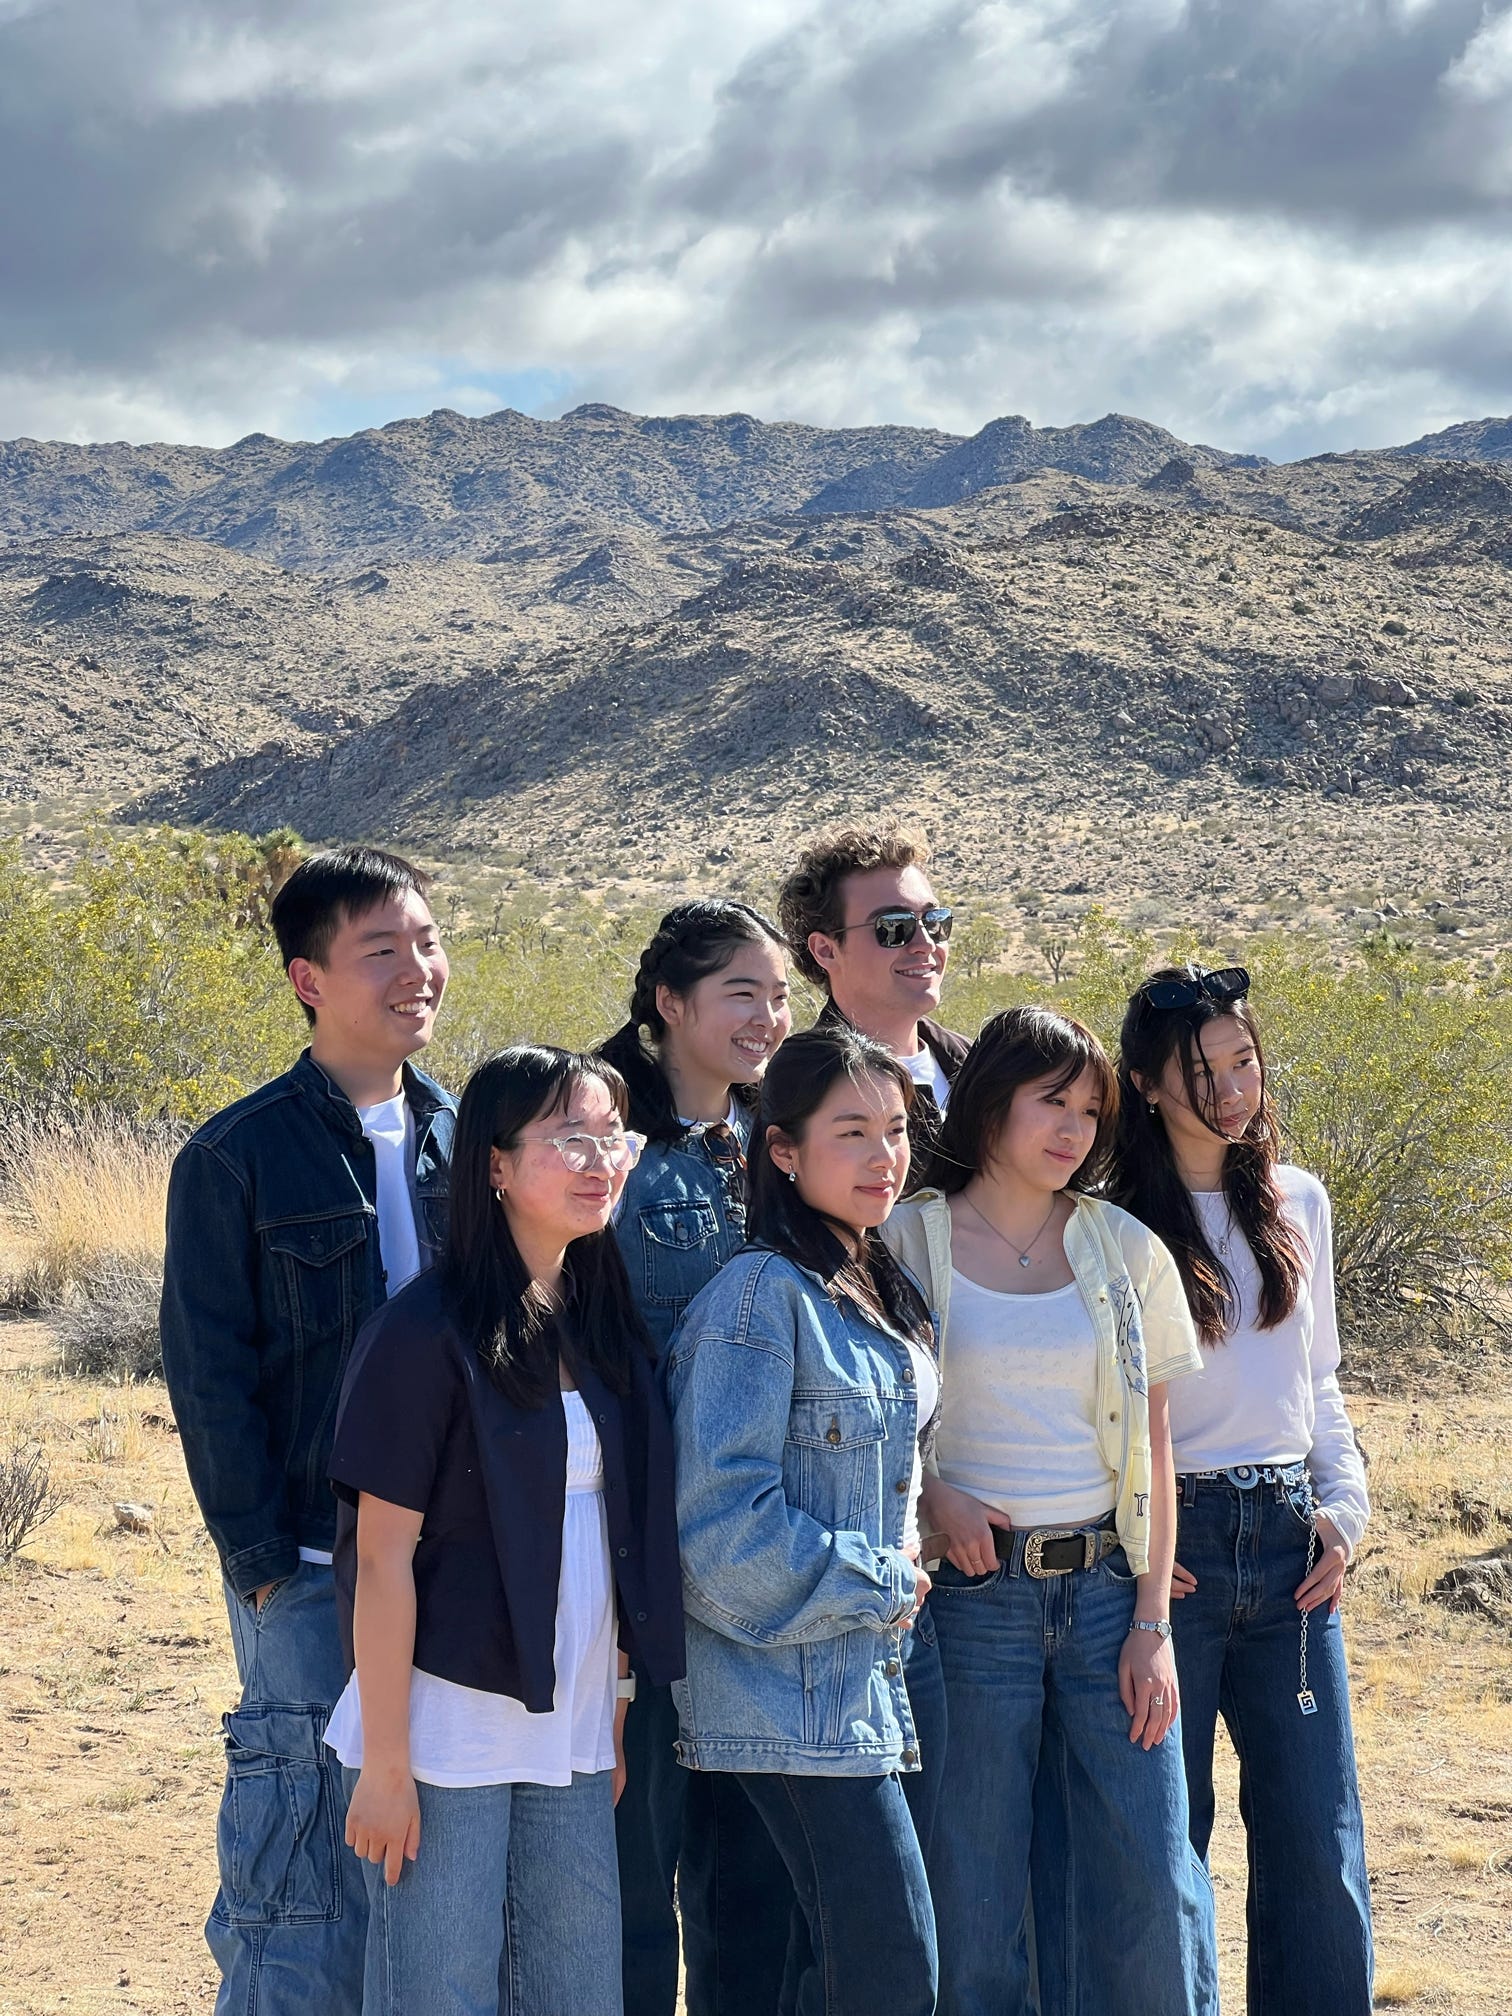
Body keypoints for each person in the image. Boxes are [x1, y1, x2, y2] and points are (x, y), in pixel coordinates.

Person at [324, 1045, 686, 2016]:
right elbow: (382, 1560)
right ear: (493, 1163)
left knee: (577, 1994)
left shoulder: (601, 1323)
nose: (600, 1159)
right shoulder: (422, 1332)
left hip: (567, 1729)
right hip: (443, 1733)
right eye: (571, 1137)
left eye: (614, 1137)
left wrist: (611, 1691)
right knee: (437, 1994)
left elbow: (608, 1538)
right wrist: (388, 1766)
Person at [160, 845, 455, 2016]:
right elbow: (207, 1377)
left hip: (455, 1565)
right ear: (308, 979)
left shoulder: (467, 1133)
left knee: (426, 1845)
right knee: (299, 1853)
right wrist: (264, 1567)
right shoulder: (233, 1156)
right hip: (312, 1561)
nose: (419, 971)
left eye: (428, 943)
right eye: (383, 951)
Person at [882, 1005, 1218, 2016]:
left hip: (1111, 1597)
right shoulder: (908, 1235)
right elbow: (871, 1410)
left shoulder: (1123, 1248)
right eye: (1050, 1102)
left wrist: (1155, 1624)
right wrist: (935, 1494)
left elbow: (1153, 1449)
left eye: (1089, 1109)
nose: (1072, 1128)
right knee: (975, 1894)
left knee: (1151, 1881)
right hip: (971, 1600)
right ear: (990, 1103)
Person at [665, 1024, 944, 2016]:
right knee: (891, 1970)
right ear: (782, 1149)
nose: (884, 1157)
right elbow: (719, 1533)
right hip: (782, 1698)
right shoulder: (755, 1302)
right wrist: (878, 1580)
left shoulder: (874, 1285)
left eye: (896, 1130)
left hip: (863, 1683)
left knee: (802, 1979)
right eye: (852, 1133)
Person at [1110, 965, 1373, 2015]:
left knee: (1318, 1840)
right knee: (1169, 1840)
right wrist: (1134, 1541)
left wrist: (1344, 1516)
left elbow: (1319, 1384)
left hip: (1289, 1541)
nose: (1228, 1089)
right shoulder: (1114, 1217)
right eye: (1198, 1070)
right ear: (1144, 1083)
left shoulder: (1297, 1198)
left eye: (1242, 1062)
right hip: (1167, 1552)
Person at [597, 900, 796, 2016]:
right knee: (636, 1864)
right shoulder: (609, 1147)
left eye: (778, 995)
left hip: (764, 1559)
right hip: (642, 1564)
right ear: (669, 1005)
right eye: (741, 994)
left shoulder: (785, 1142)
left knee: (754, 1876)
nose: (768, 1017)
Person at [778, 824, 967, 1173]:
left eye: (935, 921)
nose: (925, 943)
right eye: (894, 927)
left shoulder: (983, 1068)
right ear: (826, 950)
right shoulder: (796, 1091)